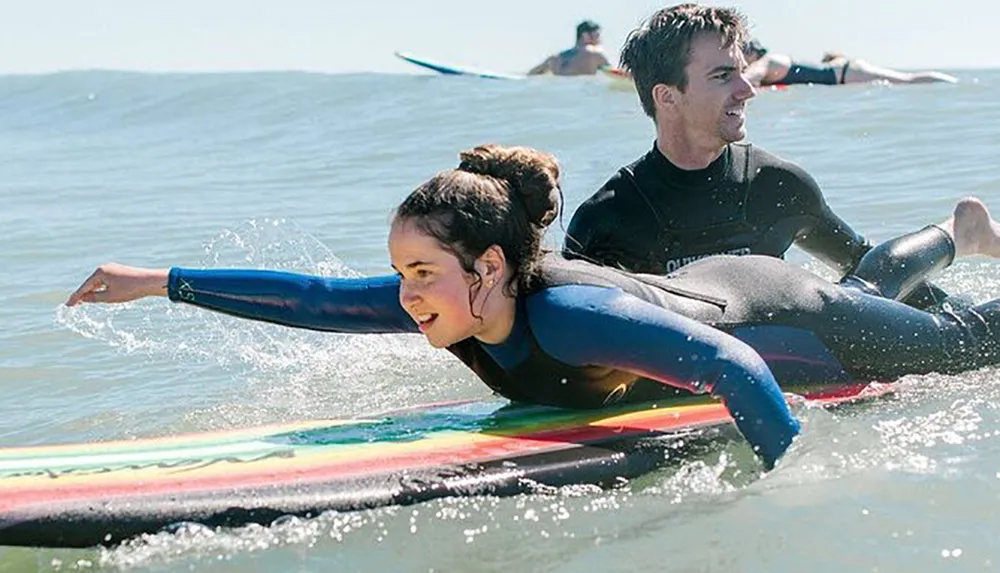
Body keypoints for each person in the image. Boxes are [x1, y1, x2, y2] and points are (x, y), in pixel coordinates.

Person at [68, 144, 1000, 470]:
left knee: (962, 342)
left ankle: (956, 240)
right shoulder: (459, 301)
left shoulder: (563, 315)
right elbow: (316, 300)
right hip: (720, 290)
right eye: (401, 273)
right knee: (876, 290)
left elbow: (735, 366)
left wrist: (788, 477)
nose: (404, 293)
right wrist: (158, 282)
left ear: (486, 268)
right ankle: (958, 230)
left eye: (420, 273)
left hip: (779, 309)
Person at [563, 3, 960, 309]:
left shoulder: (778, 184)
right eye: (722, 76)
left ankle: (963, 232)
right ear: (667, 97)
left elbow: (864, 269)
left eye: (741, 71)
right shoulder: (607, 219)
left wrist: (950, 315)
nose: (747, 89)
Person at [743, 39, 958, 86]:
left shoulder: (767, 62)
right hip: (843, 71)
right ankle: (952, 83)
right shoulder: (774, 60)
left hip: (843, 73)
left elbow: (749, 79)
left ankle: (954, 83)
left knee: (908, 80)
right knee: (906, 80)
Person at [527, 20, 611, 77]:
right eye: (597, 36)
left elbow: (529, 75)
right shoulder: (594, 54)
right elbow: (615, 75)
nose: (600, 40)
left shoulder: (554, 59)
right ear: (585, 35)